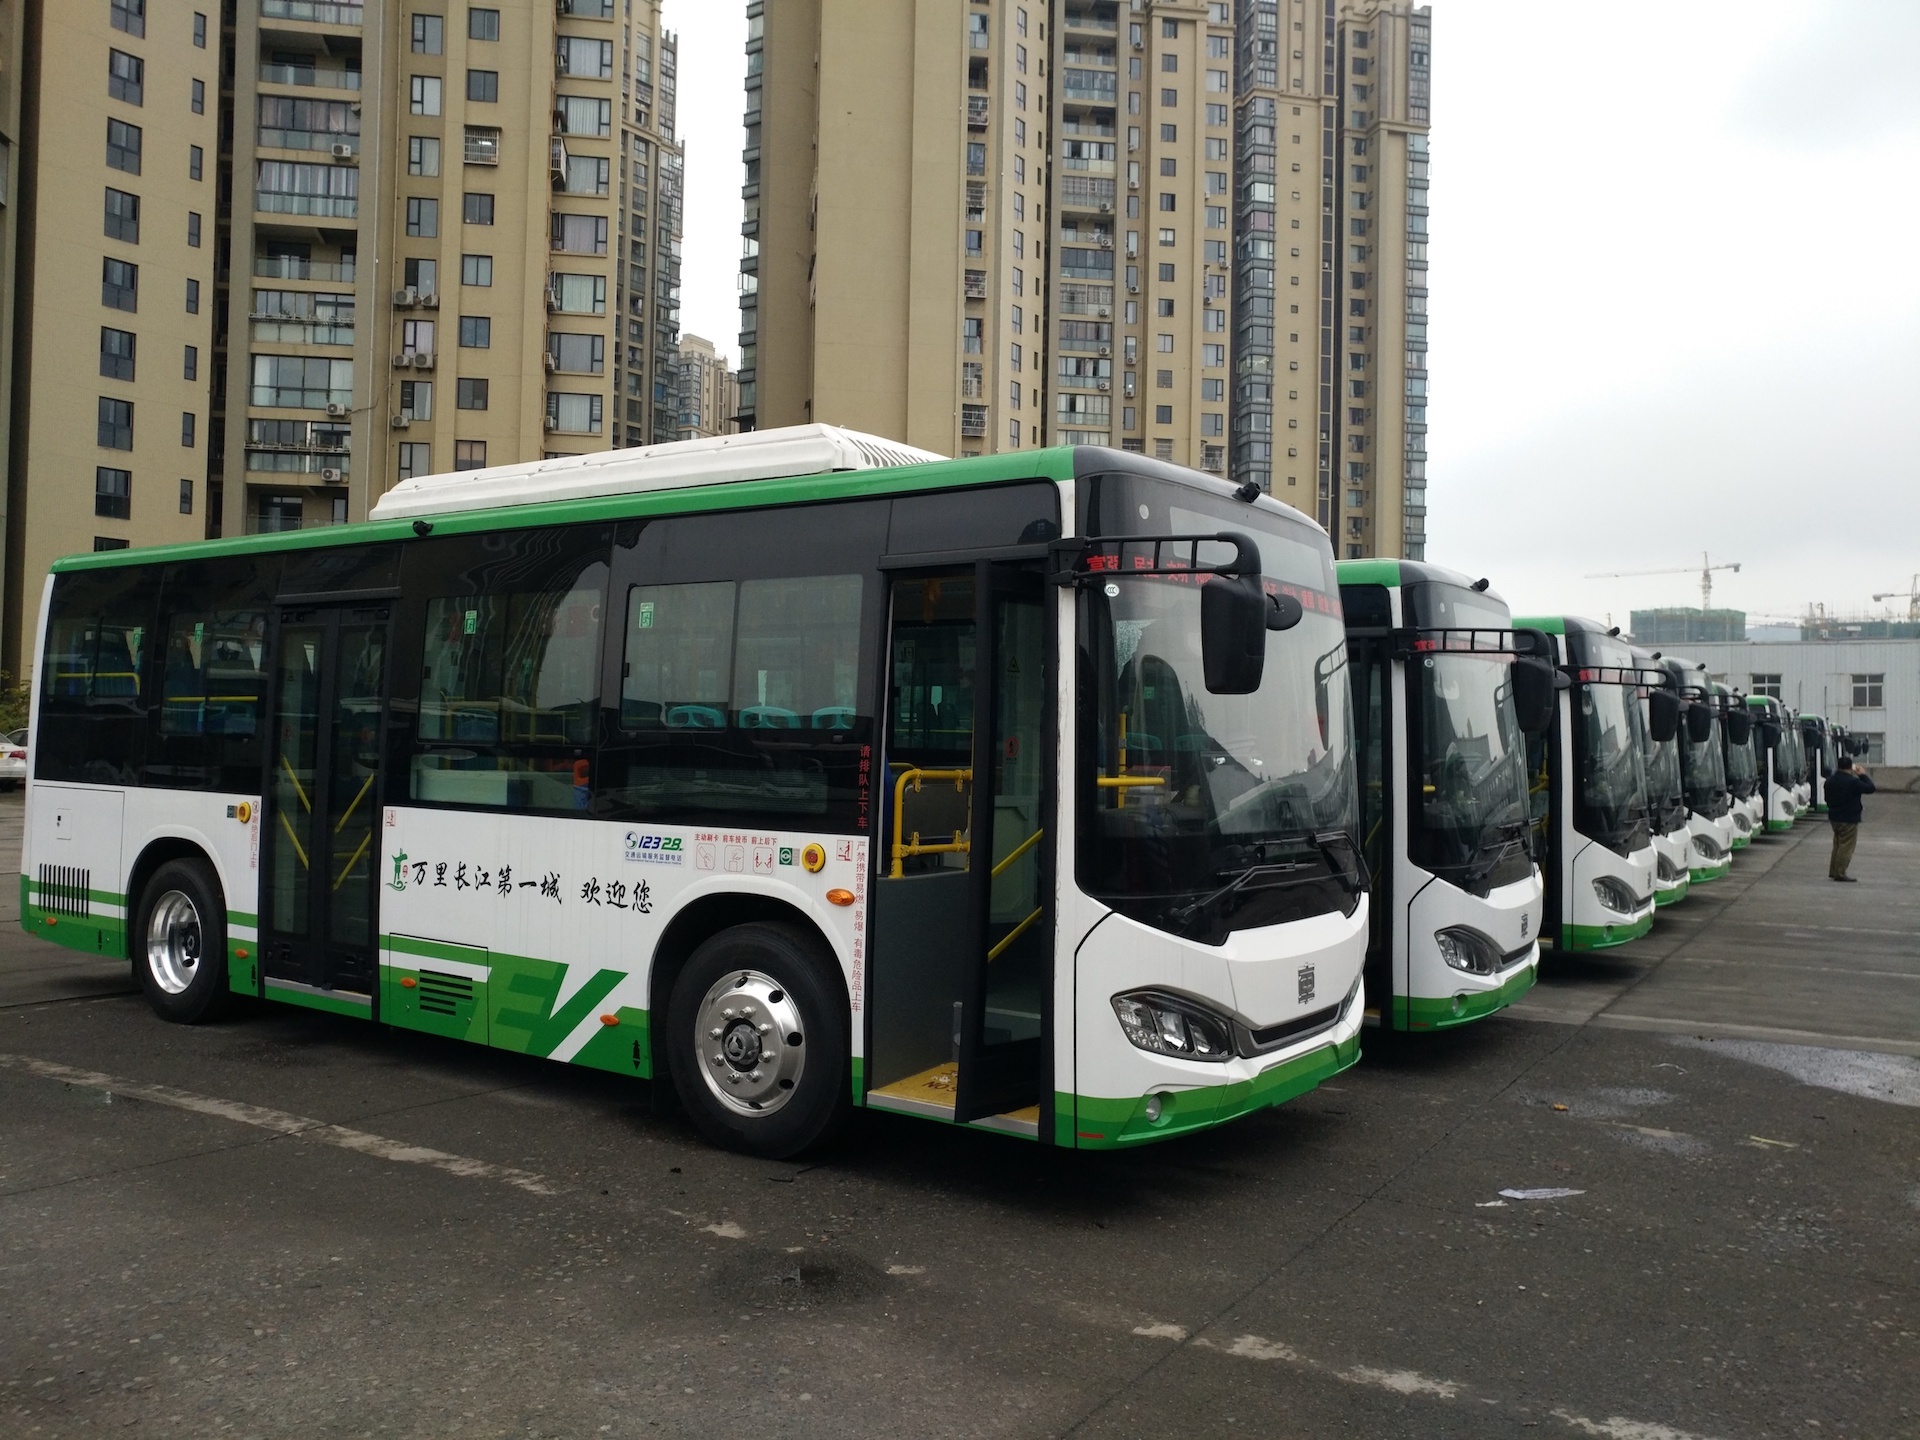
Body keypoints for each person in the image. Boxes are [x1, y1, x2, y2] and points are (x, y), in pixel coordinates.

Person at [1825, 754, 1875, 882]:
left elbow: (1826, 799)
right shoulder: (1853, 782)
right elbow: (1870, 788)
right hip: (1849, 818)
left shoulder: (1829, 781)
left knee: (1837, 844)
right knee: (1846, 847)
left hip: (1834, 817)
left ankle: (1833, 870)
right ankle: (1840, 873)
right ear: (1851, 767)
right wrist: (1862, 775)